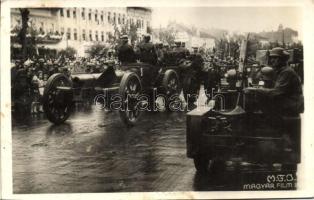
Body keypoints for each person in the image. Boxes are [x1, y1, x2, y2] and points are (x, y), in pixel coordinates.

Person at [244, 47, 304, 116]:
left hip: (292, 103)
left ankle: (261, 121)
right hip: (287, 100)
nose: (272, 60)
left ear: (282, 60)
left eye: (276, 58)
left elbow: (276, 92)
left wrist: (256, 90)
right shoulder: (280, 70)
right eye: (272, 58)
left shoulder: (287, 72)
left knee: (259, 96)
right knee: (259, 96)